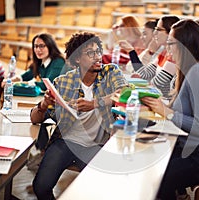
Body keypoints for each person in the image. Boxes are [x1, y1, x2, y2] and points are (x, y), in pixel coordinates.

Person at [30, 32, 128, 200]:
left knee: (101, 192)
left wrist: (94, 103)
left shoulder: (110, 72)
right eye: (90, 53)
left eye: (98, 51)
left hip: (96, 145)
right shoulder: (63, 81)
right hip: (65, 142)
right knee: (40, 187)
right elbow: (35, 118)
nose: (97, 56)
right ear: (76, 59)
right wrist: (44, 104)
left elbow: (125, 92)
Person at [141, 19, 199, 199]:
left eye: (171, 44)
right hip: (193, 148)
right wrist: (157, 106)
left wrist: (165, 111)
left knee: (157, 179)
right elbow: (179, 112)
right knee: (149, 165)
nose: (167, 48)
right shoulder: (188, 69)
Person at [121, 15, 180, 98]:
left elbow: (157, 83)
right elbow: (145, 74)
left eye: (159, 29)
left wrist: (142, 81)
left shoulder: (174, 55)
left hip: (166, 102)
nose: (155, 33)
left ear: (170, 32)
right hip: (159, 98)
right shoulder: (163, 51)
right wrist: (131, 52)